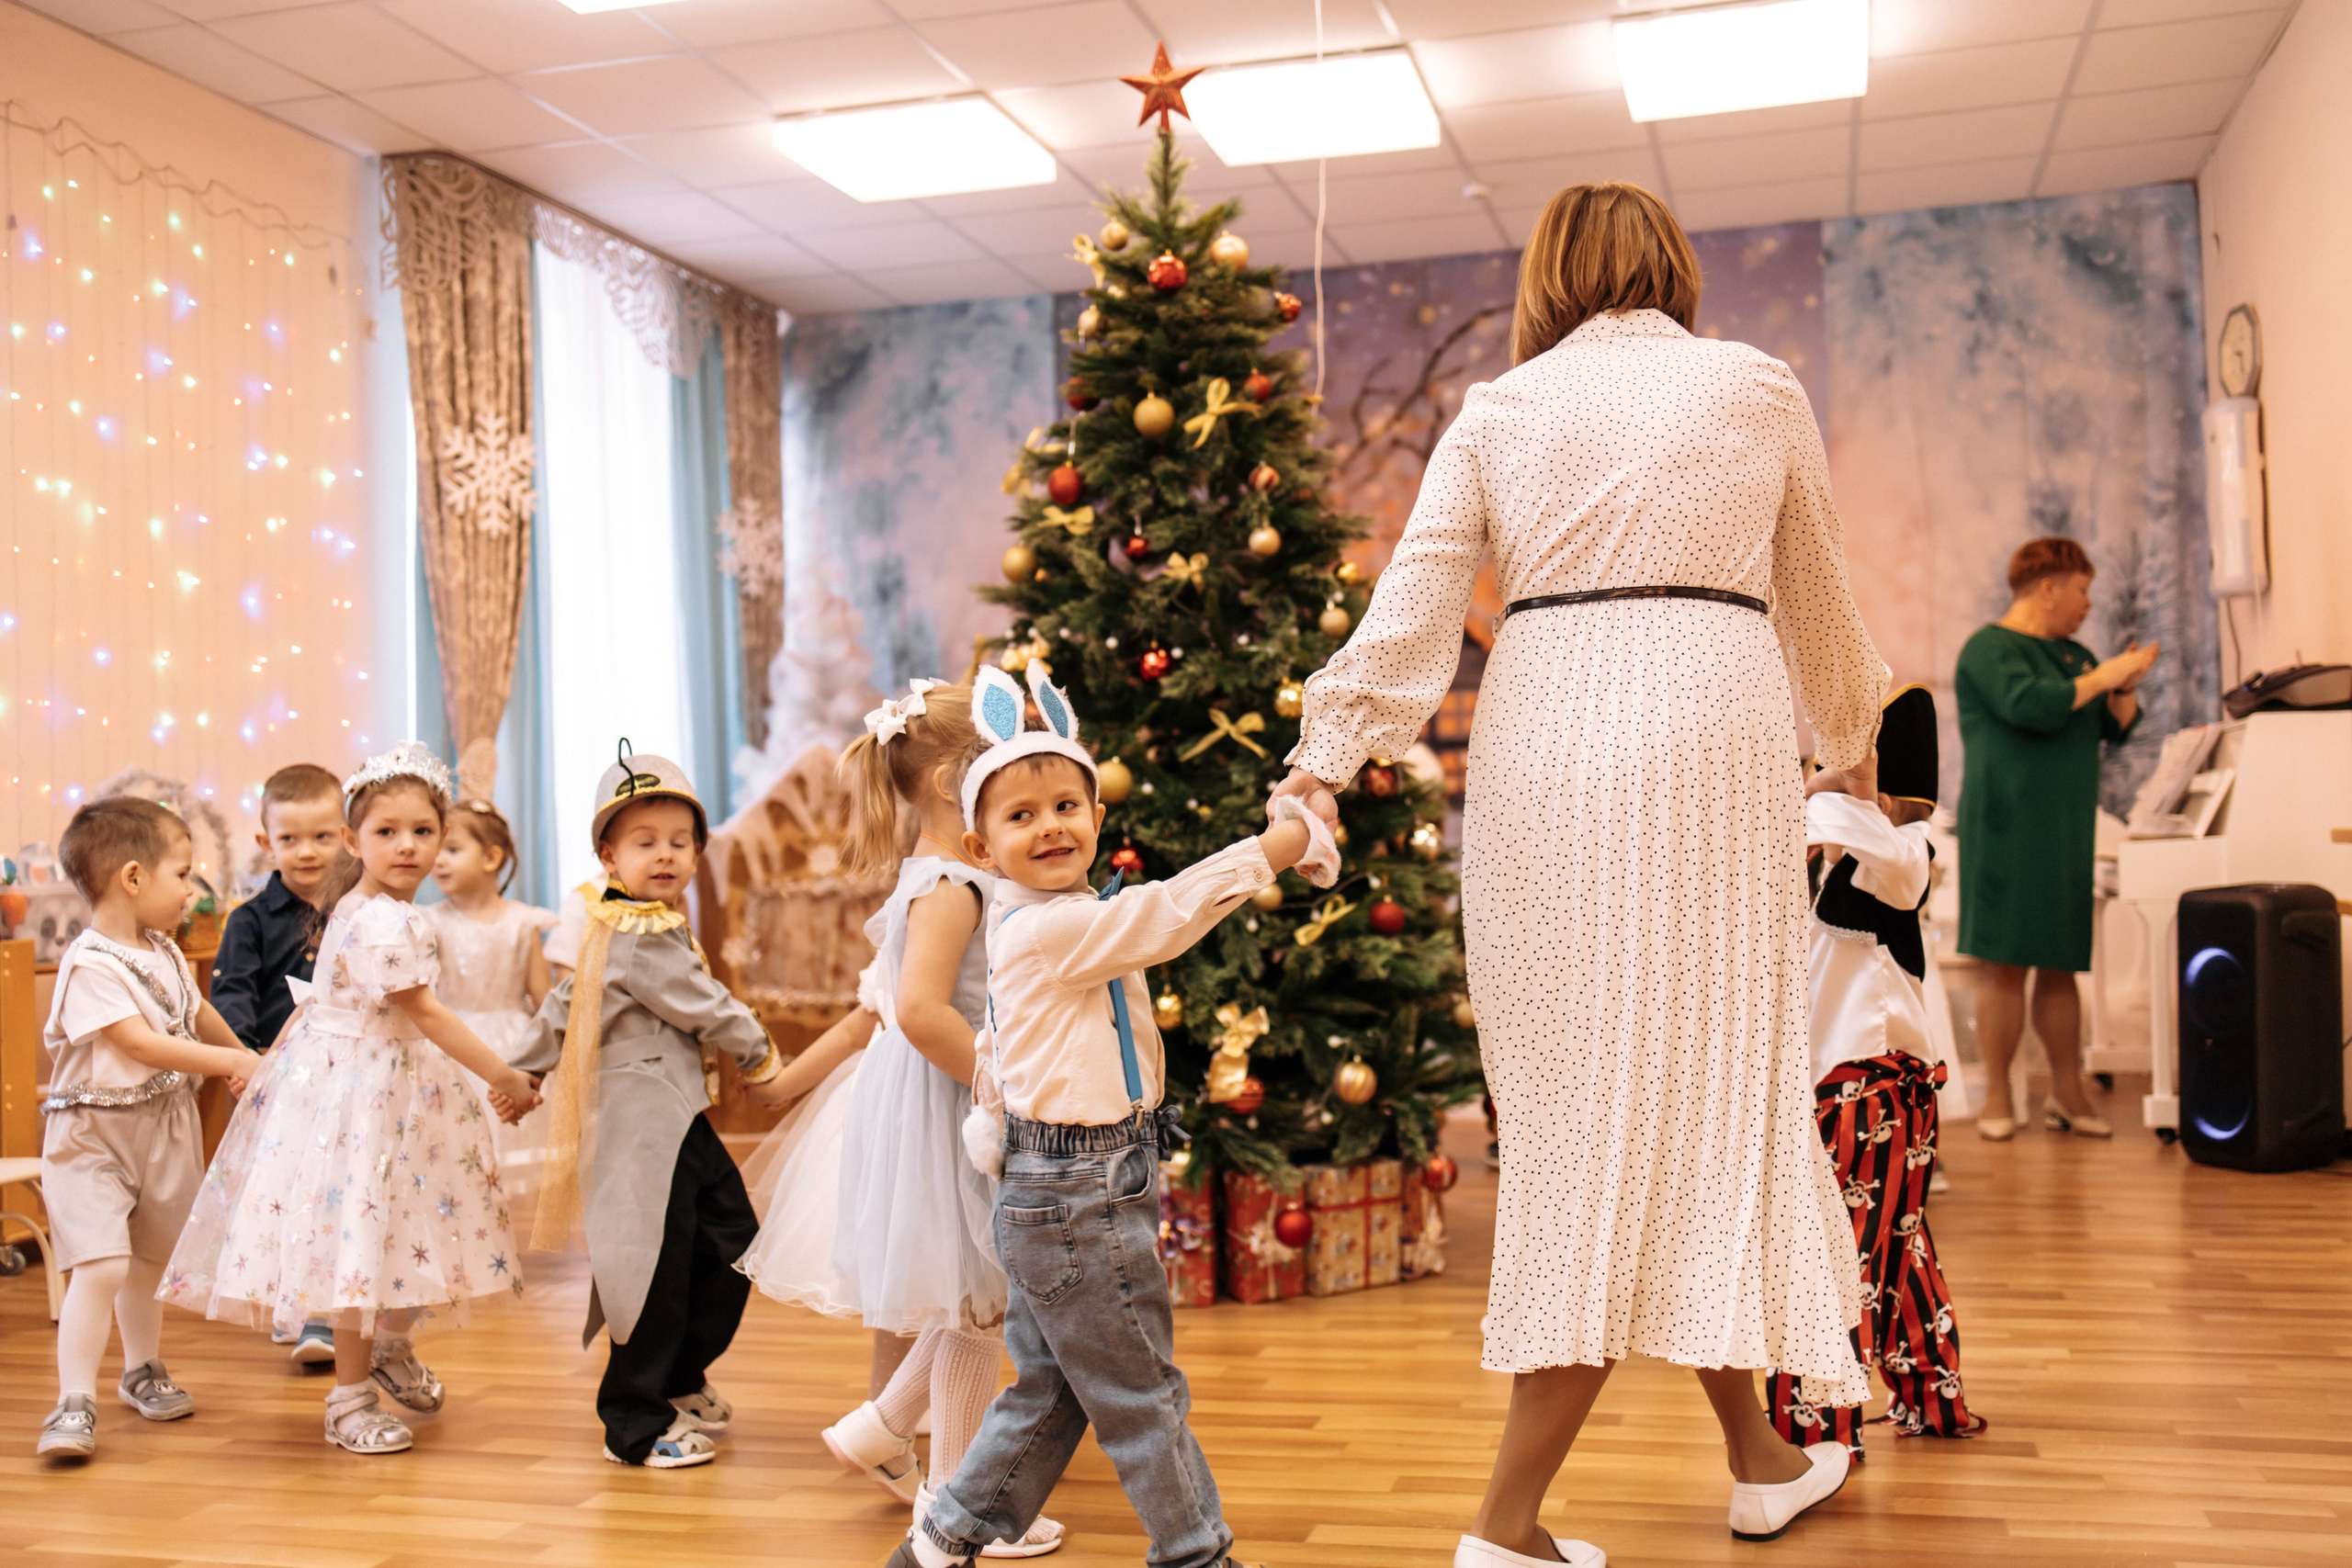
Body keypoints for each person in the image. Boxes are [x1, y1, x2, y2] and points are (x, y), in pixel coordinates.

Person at [1269, 181, 1887, 1562]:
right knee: (1701, 1093)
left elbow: (1414, 604)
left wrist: (1323, 758)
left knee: (1602, 1112)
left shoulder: (1500, 408)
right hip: (1711, 729)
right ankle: (1504, 1522)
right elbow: (1822, 590)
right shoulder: (1756, 384)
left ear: (1547, 275)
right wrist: (1848, 740)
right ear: (1672, 263)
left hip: (1543, 738)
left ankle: (1763, 1454)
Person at [890, 663, 1335, 1568]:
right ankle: (1195, 1554)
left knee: (1051, 1390)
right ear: (981, 851)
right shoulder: (1048, 930)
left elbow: (997, 1055)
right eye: (1019, 816)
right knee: (1142, 1394)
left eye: (1066, 805)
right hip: (1075, 1191)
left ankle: (942, 1541)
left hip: (1068, 1183)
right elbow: (1167, 913)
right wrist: (1282, 843)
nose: (1049, 825)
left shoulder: (1065, 916)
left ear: (1096, 819)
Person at [746, 680, 1064, 1558]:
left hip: (930, 1095)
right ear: (953, 778)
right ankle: (958, 1501)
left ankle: (890, 1433)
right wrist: (998, 1088)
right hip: (947, 1099)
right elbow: (922, 1009)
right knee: (974, 1305)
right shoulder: (956, 882)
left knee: (974, 1300)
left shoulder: (940, 872)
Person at [160, 743, 538, 1455]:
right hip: (358, 1098)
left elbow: (317, 999)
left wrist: (278, 1061)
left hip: (395, 1091)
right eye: (387, 831)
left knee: (404, 1222)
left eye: (424, 832)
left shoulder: (367, 906)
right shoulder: (379, 917)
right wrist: (506, 1075)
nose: (407, 846)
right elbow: (424, 1012)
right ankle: (348, 1396)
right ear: (354, 839)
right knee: (361, 1239)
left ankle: (390, 1347)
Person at [509, 747, 791, 1470]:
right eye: (644, 842)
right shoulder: (643, 932)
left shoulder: (622, 923)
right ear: (609, 853)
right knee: (654, 1267)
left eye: (678, 841)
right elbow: (705, 1006)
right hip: (645, 1126)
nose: (664, 855)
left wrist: (528, 1065)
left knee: (731, 1241)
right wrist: (760, 1053)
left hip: (678, 1117)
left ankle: (678, 1374)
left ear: (697, 852)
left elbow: (568, 1004)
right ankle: (634, 1421)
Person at [1767, 686, 1982, 1457]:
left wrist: (1845, 790)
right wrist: (1830, 785)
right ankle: (1933, 1394)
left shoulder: (1899, 859)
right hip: (1869, 1092)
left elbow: (1877, 845)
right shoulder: (1842, 872)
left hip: (1871, 1093)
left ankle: (1818, 1431)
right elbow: (1777, 825)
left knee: (1836, 1259)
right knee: (1901, 1246)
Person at [34, 797, 259, 1460]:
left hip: (164, 1128)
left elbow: (199, 1015)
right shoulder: (90, 963)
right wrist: (230, 1063)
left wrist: (254, 1054)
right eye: (183, 875)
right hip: (93, 1135)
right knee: (99, 1265)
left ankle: (142, 1368)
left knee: (146, 1264)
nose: (191, 891)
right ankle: (73, 1398)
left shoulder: (161, 949)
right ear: (133, 877)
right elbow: (141, 1043)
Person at [1954, 536, 2156, 1140]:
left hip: (2066, 828)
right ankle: (1997, 1095)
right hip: (2006, 827)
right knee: (2006, 965)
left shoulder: (2075, 657)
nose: (2088, 604)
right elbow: (2031, 706)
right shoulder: (1989, 649)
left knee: (2063, 963)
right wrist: (2105, 675)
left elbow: (2114, 731)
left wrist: (2121, 684)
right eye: (2081, 589)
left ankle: (2068, 1093)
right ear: (2048, 586)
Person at [210, 761, 346, 1364]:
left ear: (346, 833)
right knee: (288, 1191)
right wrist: (243, 1059)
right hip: (281, 1075)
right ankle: (298, 1306)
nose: (307, 851)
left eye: (321, 835)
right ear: (266, 841)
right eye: (289, 838)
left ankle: (325, 1310)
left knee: (335, 1189)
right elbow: (232, 991)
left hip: (349, 1073)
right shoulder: (249, 920)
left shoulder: (356, 907)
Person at [424, 800, 556, 1192]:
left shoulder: (522, 921)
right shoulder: (430, 921)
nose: (439, 861)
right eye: (438, 850)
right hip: (454, 1043)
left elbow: (544, 999)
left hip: (512, 1044)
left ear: (492, 857)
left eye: (453, 849)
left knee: (512, 1165)